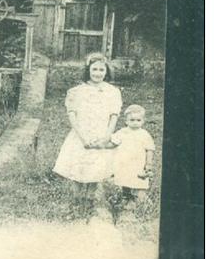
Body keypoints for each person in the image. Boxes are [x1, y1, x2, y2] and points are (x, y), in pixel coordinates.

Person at [53, 52, 122, 219]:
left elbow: (114, 115)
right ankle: (76, 206)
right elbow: (73, 116)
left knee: (95, 170)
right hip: (81, 136)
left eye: (101, 70)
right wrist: (83, 137)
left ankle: (90, 205)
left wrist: (107, 136)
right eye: (94, 69)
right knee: (78, 169)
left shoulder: (112, 91)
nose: (98, 73)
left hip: (101, 136)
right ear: (88, 70)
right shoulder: (77, 91)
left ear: (106, 71)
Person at [110, 104, 156, 217]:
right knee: (125, 180)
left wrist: (148, 163)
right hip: (124, 164)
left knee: (140, 183)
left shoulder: (144, 134)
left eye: (138, 120)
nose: (135, 122)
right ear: (126, 121)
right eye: (132, 120)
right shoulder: (122, 132)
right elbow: (113, 141)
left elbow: (149, 149)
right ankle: (126, 197)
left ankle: (142, 202)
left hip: (138, 164)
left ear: (143, 121)